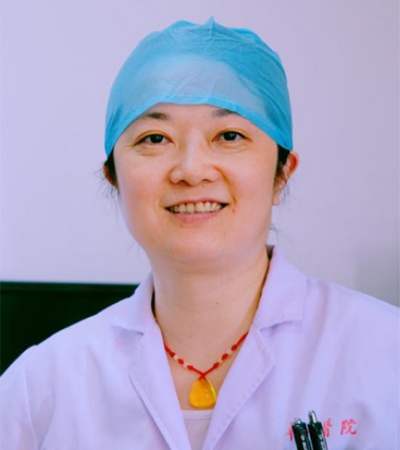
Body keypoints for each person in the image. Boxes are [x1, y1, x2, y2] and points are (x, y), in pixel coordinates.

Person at [0, 18, 398, 450]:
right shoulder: (40, 387)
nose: (191, 170)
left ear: (282, 174)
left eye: (229, 135)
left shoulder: (384, 354)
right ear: (114, 176)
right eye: (155, 138)